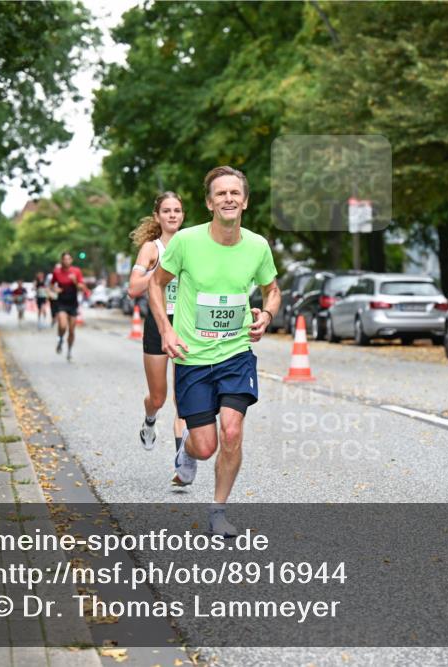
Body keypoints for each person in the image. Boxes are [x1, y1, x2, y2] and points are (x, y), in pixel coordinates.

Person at [148, 166, 280, 537]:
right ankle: (187, 452)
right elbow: (155, 286)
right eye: (220, 193)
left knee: (232, 431)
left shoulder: (257, 246)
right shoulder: (186, 242)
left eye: (234, 193)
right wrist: (166, 330)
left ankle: (218, 511)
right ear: (209, 203)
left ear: (245, 201)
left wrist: (267, 313)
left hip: (236, 353)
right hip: (193, 356)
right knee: (205, 446)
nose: (228, 198)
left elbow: (273, 289)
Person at [128, 192, 187, 453]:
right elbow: (133, 288)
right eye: (167, 210)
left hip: (185, 323)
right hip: (157, 322)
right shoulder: (152, 249)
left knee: (183, 397)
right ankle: (149, 420)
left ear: (182, 215)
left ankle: (181, 460)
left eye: (177, 210)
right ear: (158, 216)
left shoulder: (192, 244)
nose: (172, 215)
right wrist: (160, 272)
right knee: (158, 397)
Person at [52, 252, 87, 362]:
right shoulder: (57, 272)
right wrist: (55, 289)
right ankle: (60, 339)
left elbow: (82, 287)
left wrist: (75, 281)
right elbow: (52, 284)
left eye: (68, 259)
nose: (66, 261)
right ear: (61, 260)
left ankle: (69, 351)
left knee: (71, 331)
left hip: (73, 303)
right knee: (63, 326)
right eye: (64, 259)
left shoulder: (76, 271)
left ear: (71, 260)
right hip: (62, 302)